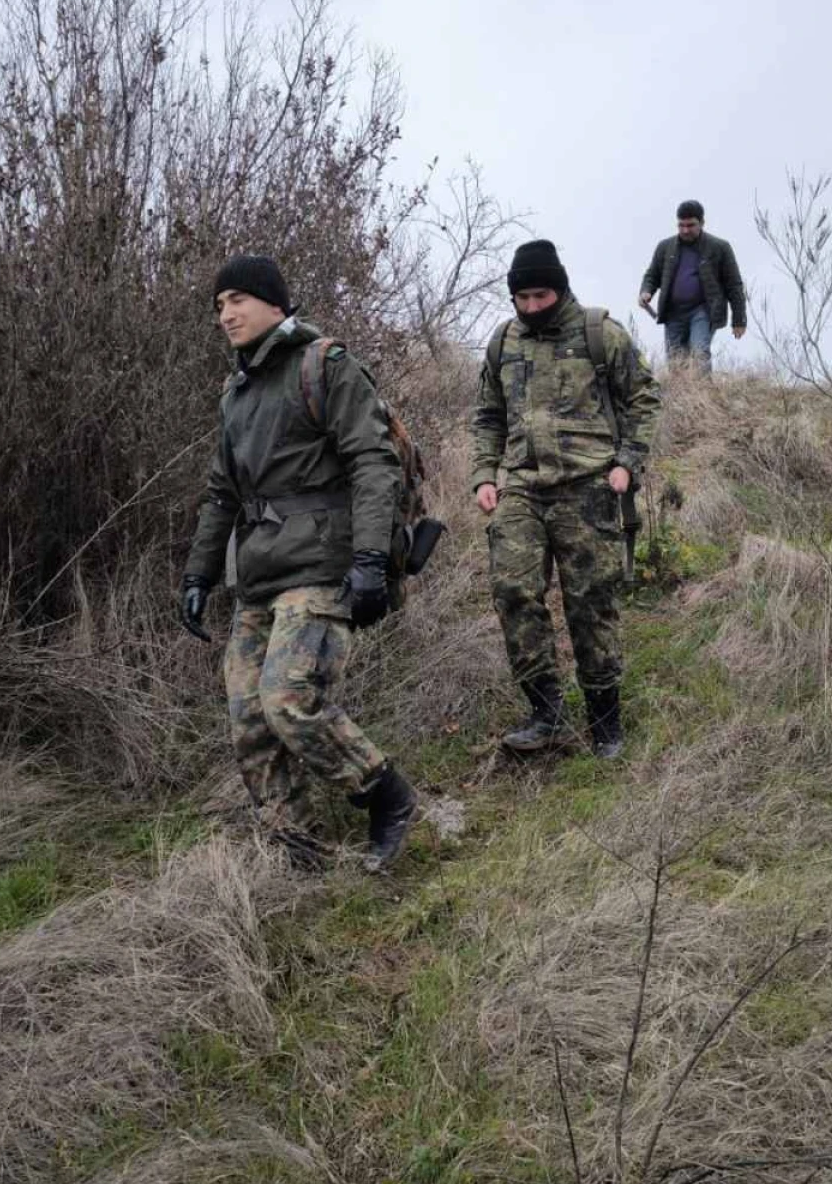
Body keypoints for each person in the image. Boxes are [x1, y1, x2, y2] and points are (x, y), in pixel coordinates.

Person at [180, 254, 419, 873]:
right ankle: (298, 849)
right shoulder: (234, 395)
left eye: (236, 299)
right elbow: (221, 494)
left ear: (273, 302)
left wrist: (369, 559)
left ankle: (386, 797)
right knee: (249, 718)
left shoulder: (325, 366)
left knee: (287, 698)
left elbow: (373, 462)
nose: (225, 314)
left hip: (322, 564)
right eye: (217, 305)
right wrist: (199, 575)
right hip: (258, 575)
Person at [472, 240, 662, 759]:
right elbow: (488, 415)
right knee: (513, 591)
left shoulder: (601, 333)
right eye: (522, 297)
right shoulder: (503, 342)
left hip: (588, 487)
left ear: (560, 287)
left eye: (540, 294)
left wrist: (627, 461)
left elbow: (643, 398)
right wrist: (484, 474)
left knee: (591, 602)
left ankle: (606, 722)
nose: (531, 306)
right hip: (522, 489)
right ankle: (546, 712)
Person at [637, 199, 748, 372]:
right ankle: (682, 398)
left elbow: (734, 285)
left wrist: (739, 319)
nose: (685, 230)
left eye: (690, 225)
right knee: (675, 362)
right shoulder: (665, 247)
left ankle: (704, 394)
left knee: (699, 353)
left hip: (703, 311)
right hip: (673, 313)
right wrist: (646, 291)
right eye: (681, 225)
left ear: (702, 223)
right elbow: (652, 275)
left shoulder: (720, 248)